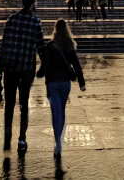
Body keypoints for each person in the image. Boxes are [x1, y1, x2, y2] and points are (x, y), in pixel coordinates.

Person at [0, 0, 43, 153]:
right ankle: (22, 138)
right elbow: (40, 46)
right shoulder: (35, 22)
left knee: (9, 104)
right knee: (24, 104)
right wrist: (46, 66)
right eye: (36, 3)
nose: (37, 5)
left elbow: (4, 43)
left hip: (10, 67)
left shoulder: (12, 19)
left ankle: (7, 134)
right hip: (26, 68)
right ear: (31, 5)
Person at [38, 19, 86, 157]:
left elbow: (45, 65)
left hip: (52, 82)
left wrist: (39, 73)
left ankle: (57, 141)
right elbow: (76, 64)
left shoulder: (50, 46)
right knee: (62, 110)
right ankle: (59, 139)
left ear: (55, 30)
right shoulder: (69, 45)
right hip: (65, 82)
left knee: (55, 112)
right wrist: (81, 82)